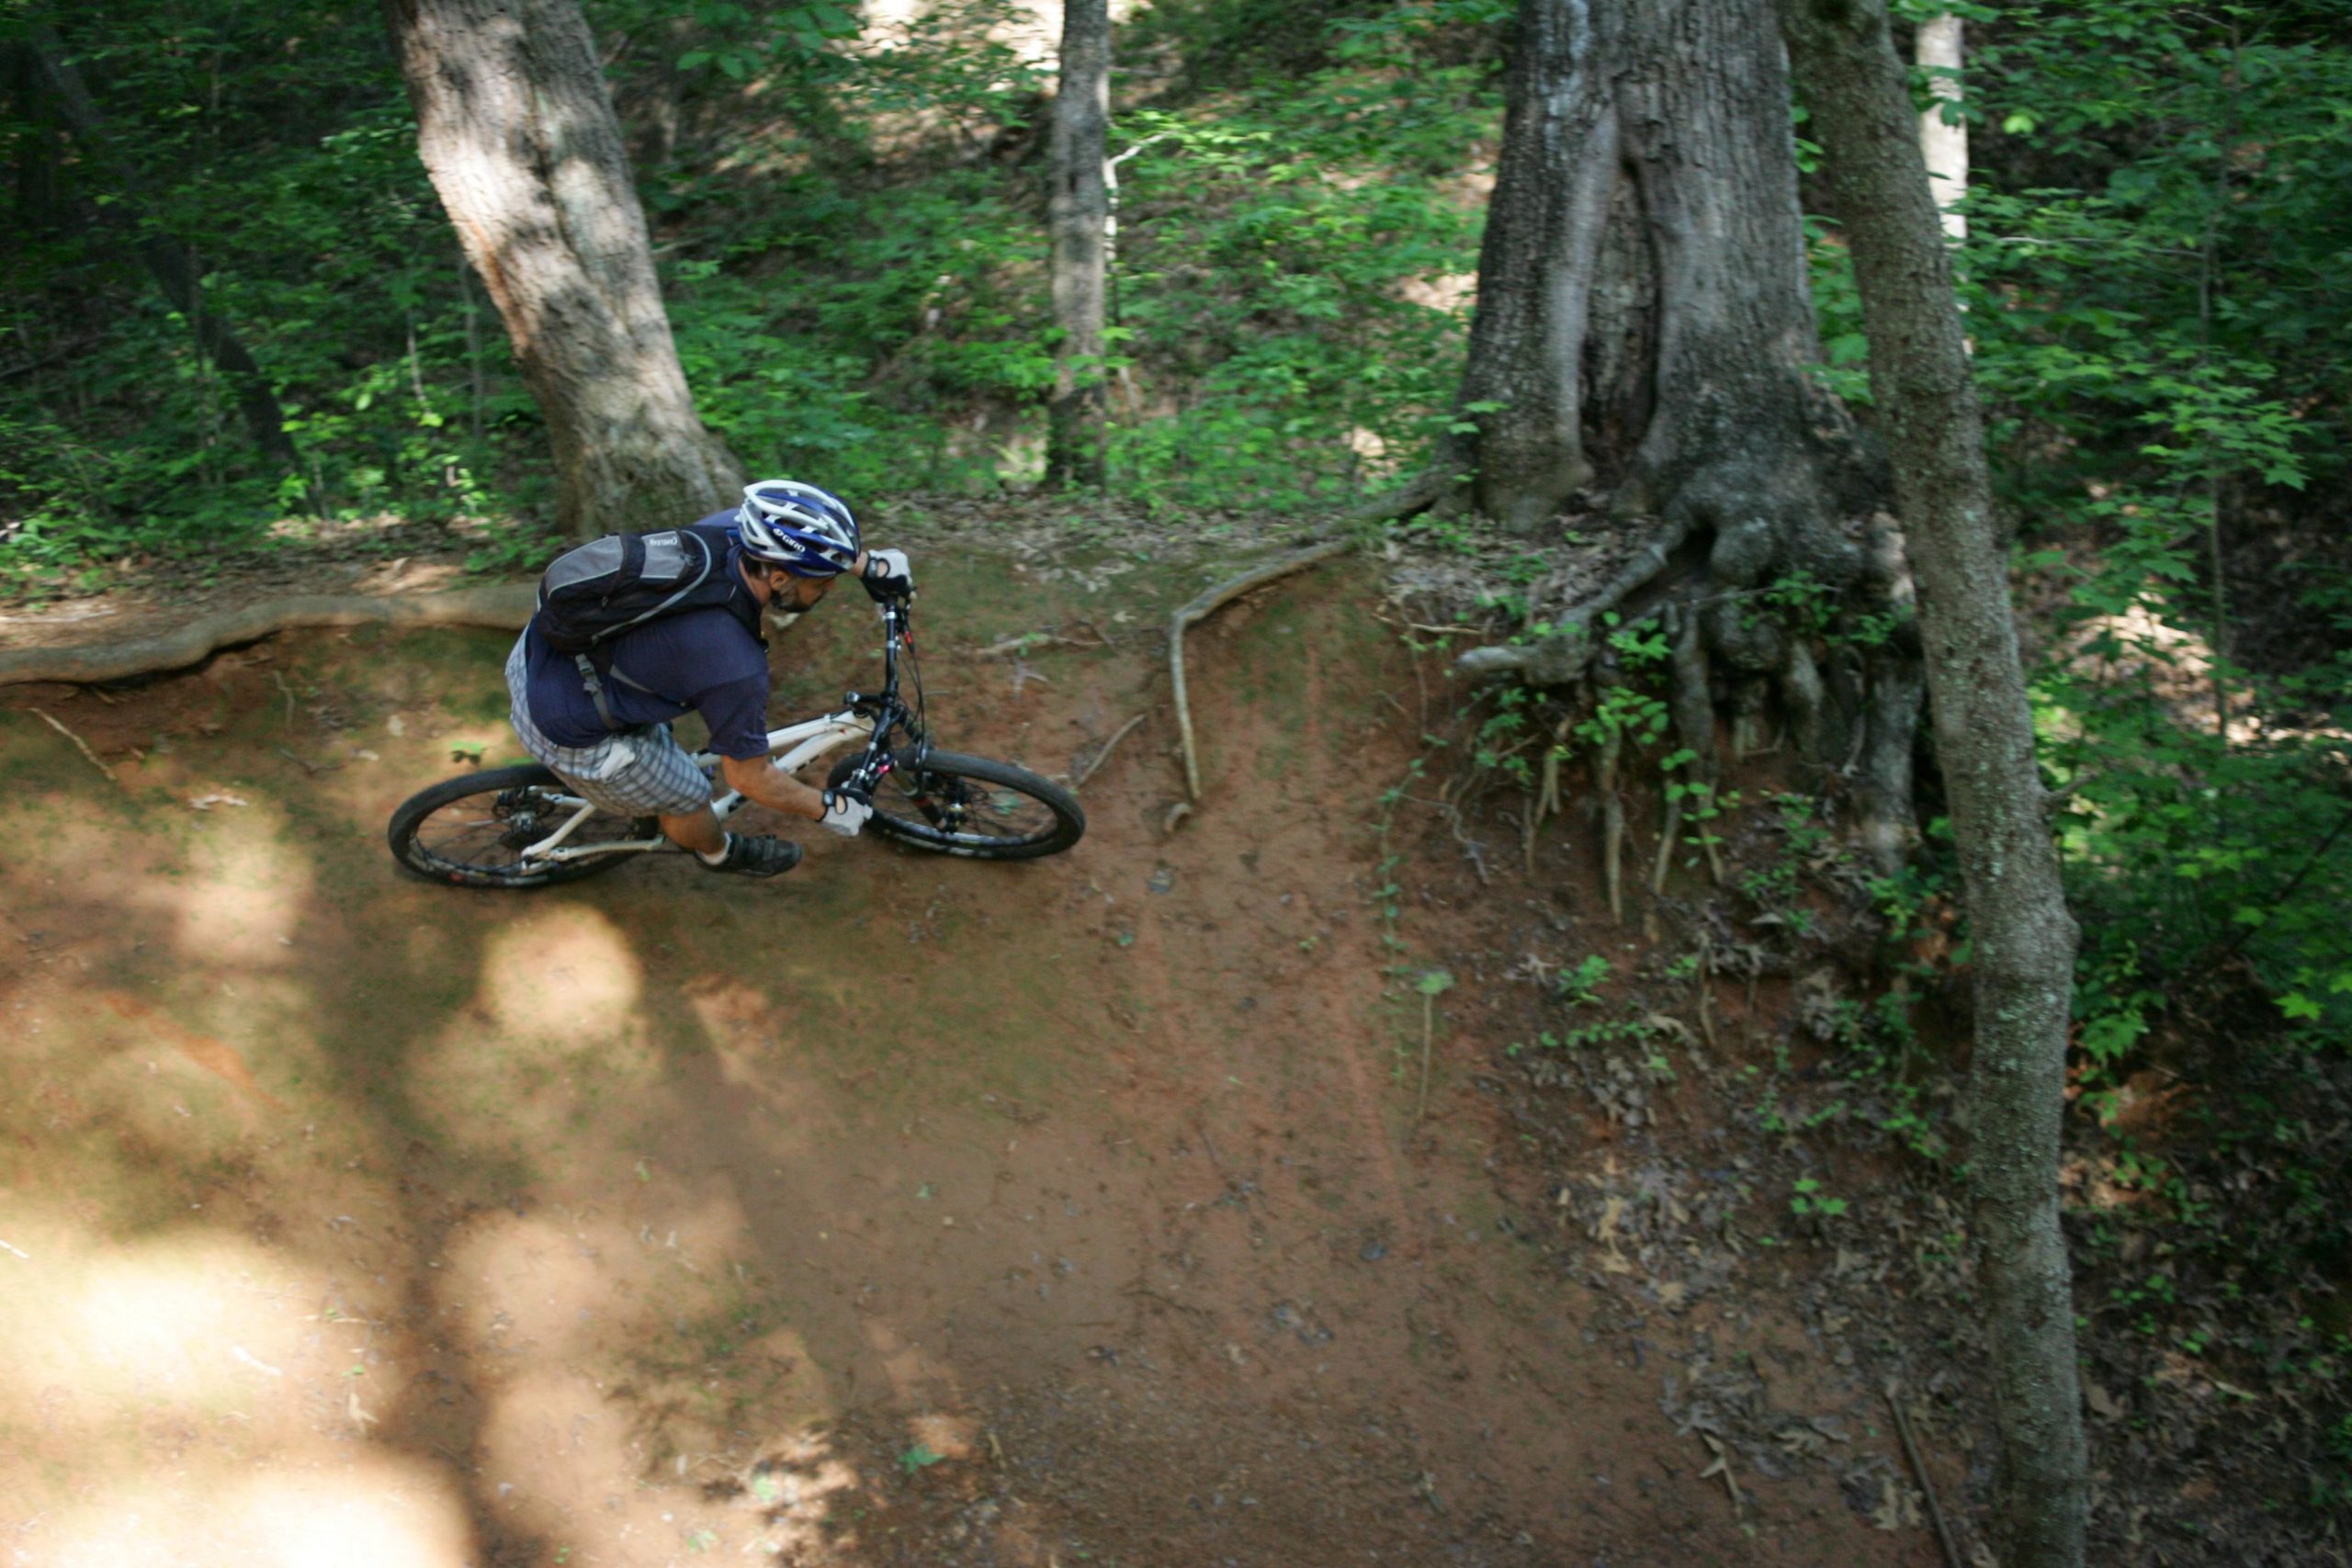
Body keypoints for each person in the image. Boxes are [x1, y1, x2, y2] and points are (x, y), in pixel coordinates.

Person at [503, 479, 914, 877]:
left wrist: (870, 566)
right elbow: (750, 778)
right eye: (823, 582)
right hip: (567, 726)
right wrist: (828, 808)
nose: (828, 589)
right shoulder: (733, 665)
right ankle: (717, 853)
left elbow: (797, 538)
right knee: (692, 797)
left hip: (538, 654)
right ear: (779, 578)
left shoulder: (730, 531)